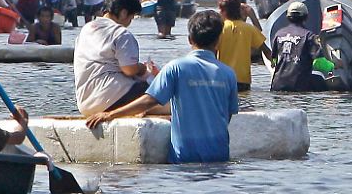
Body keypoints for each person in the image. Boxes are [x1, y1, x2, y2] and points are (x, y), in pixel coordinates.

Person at [85, 11, 239, 164]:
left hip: (184, 158)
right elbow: (228, 115)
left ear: (190, 39)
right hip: (220, 155)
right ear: (218, 41)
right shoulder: (228, 74)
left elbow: (148, 101)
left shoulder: (176, 68)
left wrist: (110, 114)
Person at [74, 0, 161, 116]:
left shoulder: (86, 29)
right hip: (112, 98)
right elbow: (129, 70)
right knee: (160, 92)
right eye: (131, 17)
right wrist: (144, 69)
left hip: (85, 104)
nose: (129, 22)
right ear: (123, 13)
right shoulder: (121, 33)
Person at [217, 0, 272, 91]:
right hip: (243, 80)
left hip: (222, 79)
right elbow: (267, 51)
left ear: (224, 11)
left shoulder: (219, 29)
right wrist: (276, 64)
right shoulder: (249, 29)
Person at [270, 2, 328, 91]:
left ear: (287, 16)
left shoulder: (279, 34)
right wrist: (335, 65)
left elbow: (273, 62)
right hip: (298, 85)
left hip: (277, 85)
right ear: (306, 17)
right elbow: (319, 63)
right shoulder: (309, 36)